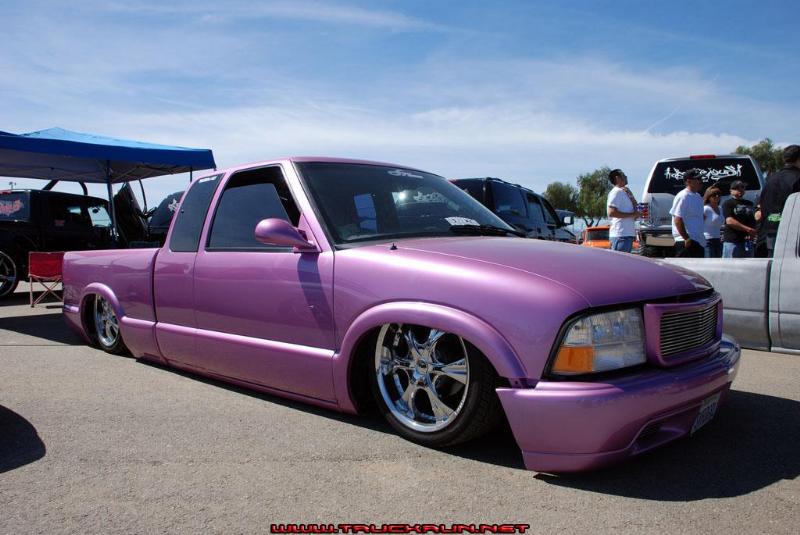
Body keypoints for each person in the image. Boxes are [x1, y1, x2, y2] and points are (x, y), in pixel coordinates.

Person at [756, 144, 800, 257]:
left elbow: (762, 207)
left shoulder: (770, 180)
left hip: (769, 234)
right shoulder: (797, 178)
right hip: (793, 237)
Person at [670, 168, 706, 257]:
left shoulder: (698, 196)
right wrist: (686, 238)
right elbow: (677, 219)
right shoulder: (683, 196)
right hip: (686, 242)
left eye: (701, 178)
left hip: (699, 241)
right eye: (697, 179)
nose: (700, 181)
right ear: (688, 181)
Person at [606, 169, 639, 252]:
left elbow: (636, 211)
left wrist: (631, 196)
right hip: (620, 236)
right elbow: (611, 212)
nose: (626, 177)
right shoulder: (616, 192)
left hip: (627, 235)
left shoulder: (624, 192)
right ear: (617, 178)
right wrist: (632, 215)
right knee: (619, 260)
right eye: (623, 175)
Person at [722, 179, 757, 258]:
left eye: (742, 187)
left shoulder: (749, 204)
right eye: (737, 188)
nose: (740, 189)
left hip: (746, 242)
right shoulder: (728, 203)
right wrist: (747, 229)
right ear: (731, 190)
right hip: (732, 241)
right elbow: (729, 221)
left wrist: (752, 232)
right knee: (730, 264)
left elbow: (753, 220)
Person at [702, 186, 723, 258]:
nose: (717, 196)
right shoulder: (705, 209)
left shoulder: (720, 208)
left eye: (719, 194)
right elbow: (699, 225)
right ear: (708, 196)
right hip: (707, 240)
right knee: (709, 262)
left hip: (718, 239)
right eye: (714, 194)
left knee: (718, 262)